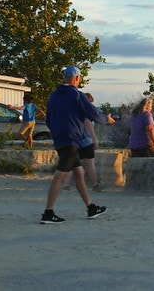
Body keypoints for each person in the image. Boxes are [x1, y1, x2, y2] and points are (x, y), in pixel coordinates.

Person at [40, 65, 115, 224]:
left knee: (79, 172)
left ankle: (91, 208)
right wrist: (107, 119)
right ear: (77, 78)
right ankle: (48, 212)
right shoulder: (77, 95)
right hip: (72, 140)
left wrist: (57, 132)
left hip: (59, 139)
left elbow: (48, 119)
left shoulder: (54, 96)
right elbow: (93, 113)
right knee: (60, 175)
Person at [63, 92, 102, 192]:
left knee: (71, 164)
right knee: (90, 164)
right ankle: (94, 184)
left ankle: (66, 184)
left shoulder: (74, 112)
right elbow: (88, 124)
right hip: (86, 142)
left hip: (74, 141)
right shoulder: (86, 113)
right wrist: (95, 139)